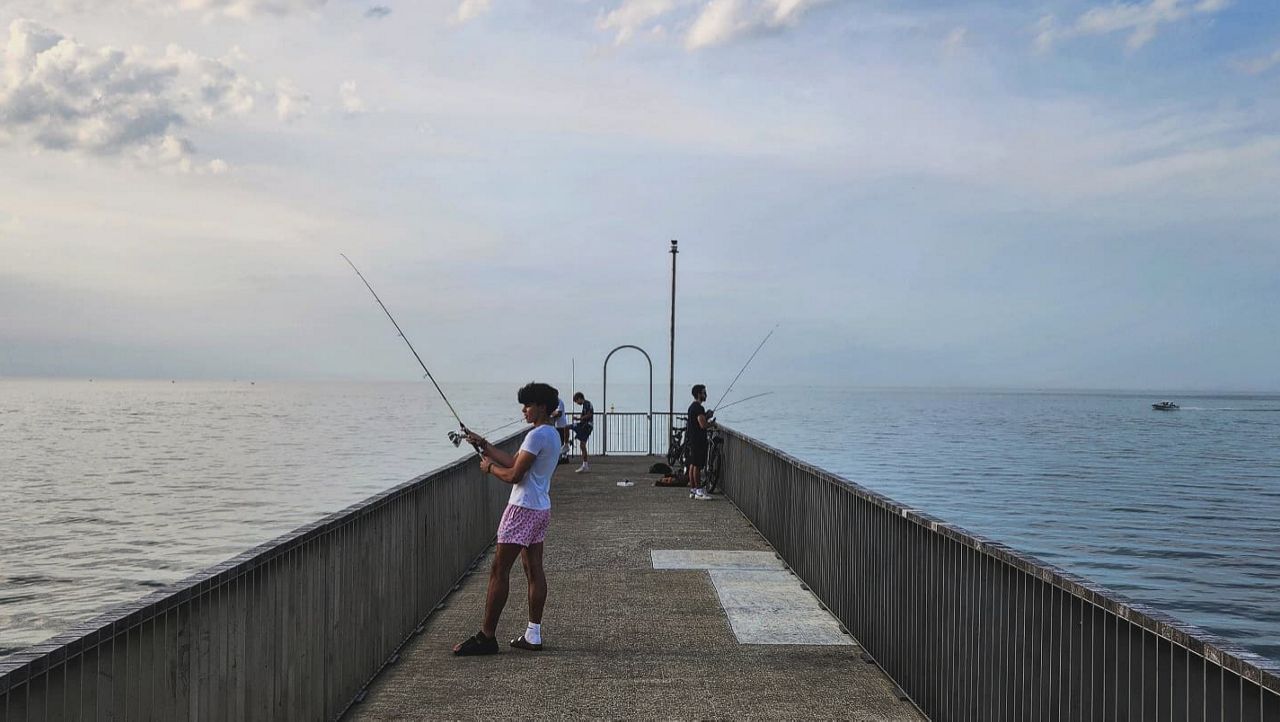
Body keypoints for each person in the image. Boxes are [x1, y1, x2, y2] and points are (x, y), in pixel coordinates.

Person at [453, 382, 561, 656]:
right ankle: (533, 634)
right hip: (540, 508)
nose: (524, 410)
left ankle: (487, 637)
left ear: (542, 407)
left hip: (522, 509)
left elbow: (514, 475)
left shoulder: (535, 436)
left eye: (528, 405)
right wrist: (484, 445)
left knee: (499, 570)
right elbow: (514, 462)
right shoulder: (552, 434)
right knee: (534, 570)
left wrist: (489, 468)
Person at [686, 384, 713, 500]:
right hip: (698, 440)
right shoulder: (698, 408)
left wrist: (706, 416)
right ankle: (699, 491)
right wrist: (712, 424)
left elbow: (699, 420)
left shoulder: (692, 407)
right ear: (699, 394)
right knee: (697, 466)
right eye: (704, 392)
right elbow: (703, 425)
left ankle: (693, 490)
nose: (706, 394)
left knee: (693, 464)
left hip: (692, 439)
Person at [570, 391, 593, 473]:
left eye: (576, 401)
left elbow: (589, 415)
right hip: (584, 425)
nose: (577, 403)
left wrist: (579, 419)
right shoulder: (585, 405)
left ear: (579, 398)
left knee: (582, 445)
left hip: (586, 426)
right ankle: (585, 465)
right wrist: (579, 419)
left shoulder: (587, 404)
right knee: (582, 445)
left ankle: (585, 465)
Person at [551, 396, 570, 461]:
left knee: (561, 442)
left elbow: (559, 413)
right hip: (557, 425)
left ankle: (563, 457)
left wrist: (552, 414)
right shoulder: (554, 402)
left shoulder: (559, 402)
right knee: (559, 442)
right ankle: (563, 457)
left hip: (561, 425)